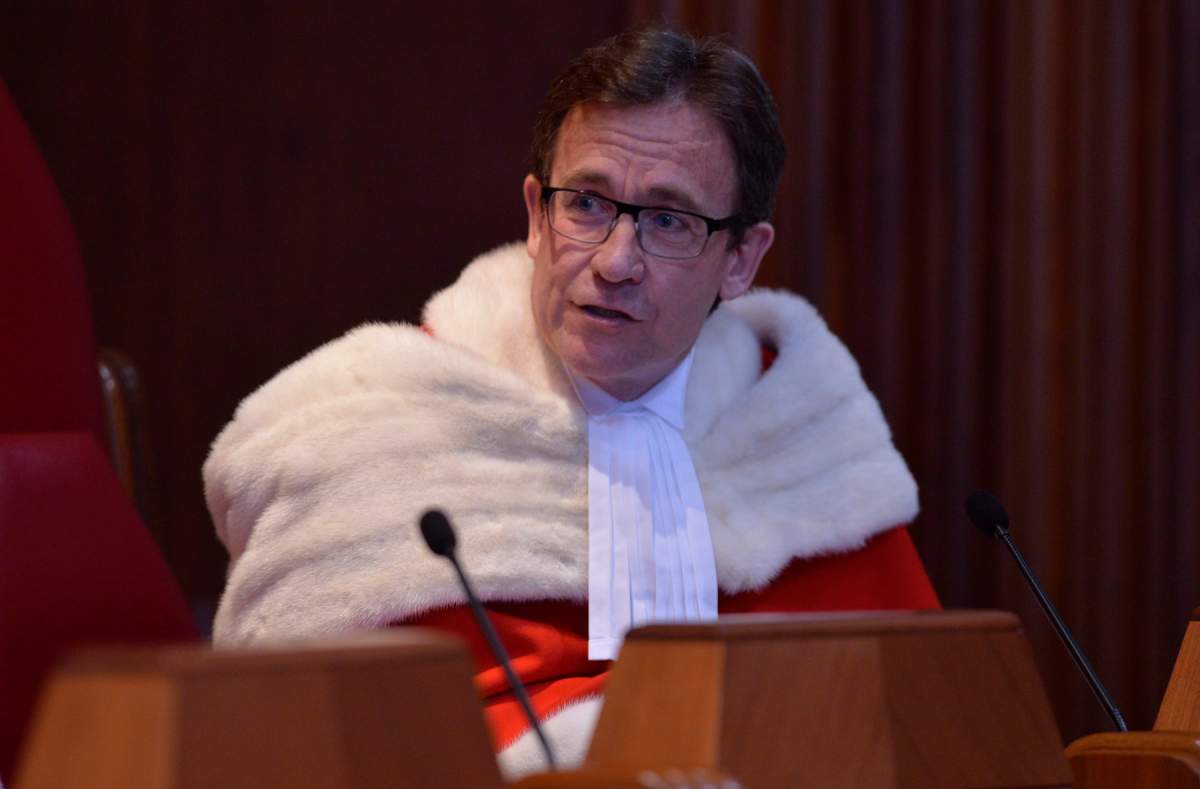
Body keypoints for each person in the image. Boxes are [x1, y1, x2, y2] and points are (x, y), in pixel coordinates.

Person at [204, 28, 939, 778]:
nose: (616, 262)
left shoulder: (792, 421)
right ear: (535, 215)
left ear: (741, 258)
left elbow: (921, 726)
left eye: (668, 220)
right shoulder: (361, 430)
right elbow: (289, 741)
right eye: (586, 204)